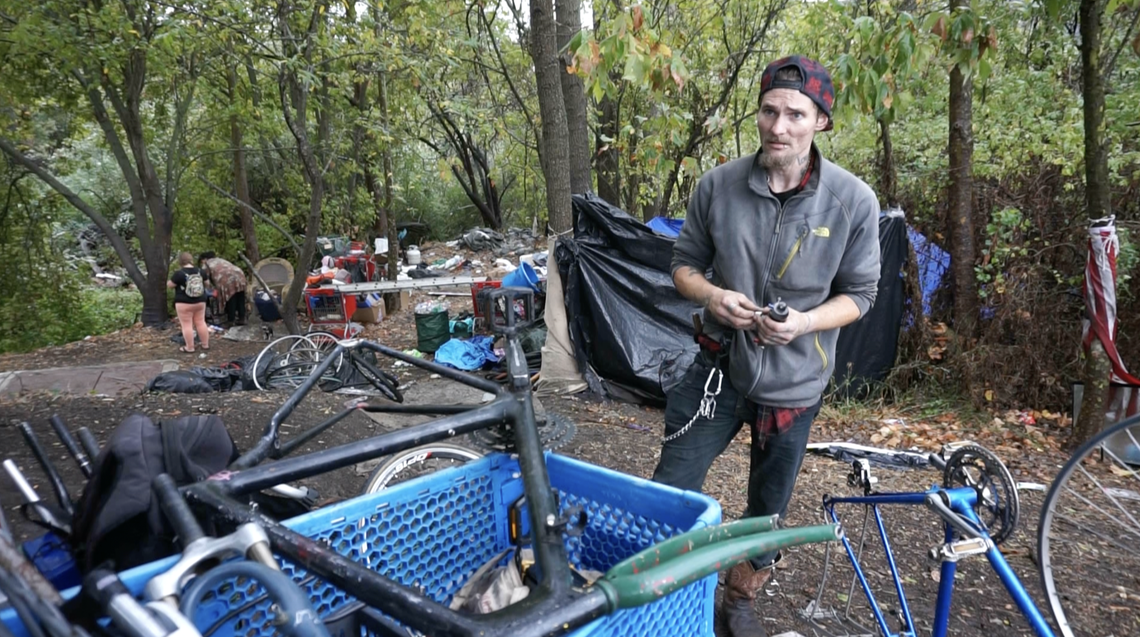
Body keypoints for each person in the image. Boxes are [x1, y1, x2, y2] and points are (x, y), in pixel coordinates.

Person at [651, 55, 881, 637]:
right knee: (668, 488)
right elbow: (682, 267)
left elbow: (861, 294)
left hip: (795, 382)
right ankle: (662, 594)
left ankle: (739, 599)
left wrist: (803, 324)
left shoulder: (853, 201)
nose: (779, 126)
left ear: (821, 122)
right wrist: (712, 297)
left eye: (796, 114)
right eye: (770, 110)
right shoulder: (718, 185)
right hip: (717, 370)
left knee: (767, 503)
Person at [168, 252, 210, 353]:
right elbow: (207, 284)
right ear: (191, 260)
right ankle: (205, 345)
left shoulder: (179, 273)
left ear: (180, 262)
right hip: (200, 301)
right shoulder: (200, 271)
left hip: (183, 303)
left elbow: (170, 285)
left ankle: (190, 348)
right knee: (201, 322)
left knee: (187, 325)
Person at [198, 252, 249, 326]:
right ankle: (242, 318)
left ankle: (231, 320)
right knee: (240, 296)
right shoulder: (220, 260)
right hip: (240, 275)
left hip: (226, 278)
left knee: (230, 298)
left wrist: (207, 289)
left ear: (204, 259)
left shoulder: (206, 264)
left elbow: (206, 280)